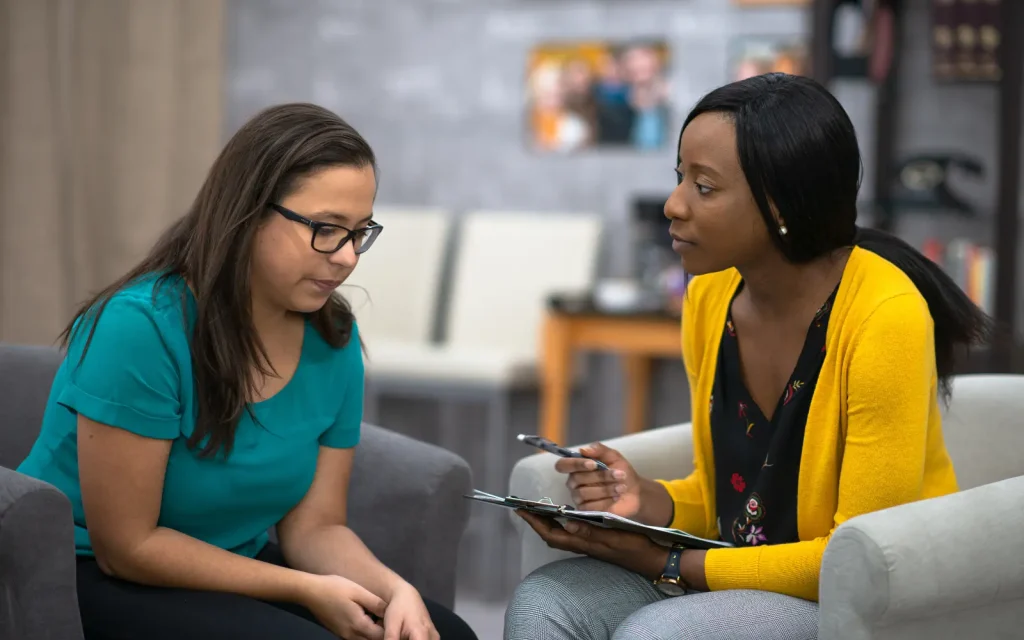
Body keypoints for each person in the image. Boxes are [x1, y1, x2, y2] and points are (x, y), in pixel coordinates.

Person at [505, 73, 990, 640]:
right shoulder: (711, 295)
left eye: (704, 187)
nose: (673, 204)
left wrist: (664, 562)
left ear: (781, 205)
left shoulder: (885, 315)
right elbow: (730, 500)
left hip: (855, 605)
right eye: (679, 177)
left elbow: (856, 558)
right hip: (737, 572)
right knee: (546, 604)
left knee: (661, 634)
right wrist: (647, 502)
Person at [17, 103, 478, 640]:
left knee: (452, 634)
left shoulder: (335, 339)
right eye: (327, 229)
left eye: (359, 232)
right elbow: (128, 547)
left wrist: (394, 588)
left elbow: (315, 526)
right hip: (85, 570)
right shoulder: (140, 327)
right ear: (248, 213)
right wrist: (305, 588)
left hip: (227, 565)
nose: (348, 257)